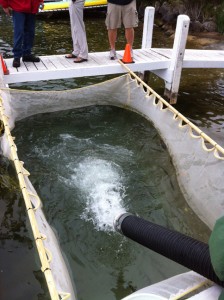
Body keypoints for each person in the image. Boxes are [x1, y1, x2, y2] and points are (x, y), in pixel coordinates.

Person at [0, 0, 44, 68]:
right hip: (18, 6)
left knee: (30, 32)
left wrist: (41, 1)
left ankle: (27, 54)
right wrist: (5, 5)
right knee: (19, 32)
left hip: (32, 7)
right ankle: (16, 57)